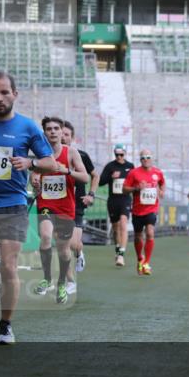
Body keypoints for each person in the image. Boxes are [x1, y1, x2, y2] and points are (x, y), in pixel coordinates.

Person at [0, 71, 57, 344]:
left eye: (5, 92)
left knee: (10, 266)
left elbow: (49, 162)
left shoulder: (28, 127)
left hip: (13, 206)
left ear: (15, 94)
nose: (0, 97)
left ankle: (5, 325)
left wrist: (30, 163)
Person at [30, 117, 89, 304]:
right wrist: (35, 179)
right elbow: (35, 172)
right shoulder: (40, 152)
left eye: (56, 128)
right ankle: (47, 279)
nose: (53, 132)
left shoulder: (71, 152)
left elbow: (85, 177)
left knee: (64, 250)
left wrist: (67, 172)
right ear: (44, 132)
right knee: (46, 236)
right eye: (49, 129)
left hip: (66, 207)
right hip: (46, 204)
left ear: (62, 131)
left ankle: (62, 283)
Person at [61, 121, 95, 295]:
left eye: (67, 134)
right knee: (62, 245)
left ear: (72, 137)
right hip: (58, 205)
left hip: (76, 205)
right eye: (61, 133)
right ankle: (70, 281)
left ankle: (79, 252)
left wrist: (91, 194)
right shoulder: (49, 155)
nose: (63, 136)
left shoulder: (81, 155)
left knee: (73, 244)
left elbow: (94, 175)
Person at [122, 150, 165, 276]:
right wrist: (136, 188)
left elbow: (162, 183)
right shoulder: (133, 173)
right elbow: (124, 189)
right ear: (140, 160)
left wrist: (162, 191)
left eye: (148, 157)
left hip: (151, 209)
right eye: (143, 158)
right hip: (137, 210)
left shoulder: (158, 172)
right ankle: (140, 259)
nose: (145, 159)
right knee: (138, 236)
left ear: (152, 158)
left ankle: (146, 262)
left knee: (150, 233)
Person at [97, 144, 135, 267]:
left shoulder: (130, 167)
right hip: (113, 200)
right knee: (115, 227)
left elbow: (134, 183)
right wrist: (110, 176)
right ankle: (118, 247)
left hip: (125, 199)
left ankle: (121, 255)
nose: (119, 157)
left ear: (125, 154)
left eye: (121, 154)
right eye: (116, 154)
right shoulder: (110, 166)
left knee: (123, 224)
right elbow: (101, 182)